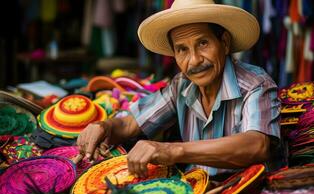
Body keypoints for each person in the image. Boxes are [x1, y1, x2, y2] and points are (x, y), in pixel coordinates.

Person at [77, 0, 281, 178]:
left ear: (224, 43)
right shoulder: (181, 85)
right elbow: (130, 124)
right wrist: (104, 127)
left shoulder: (256, 83)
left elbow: (257, 145)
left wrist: (174, 150)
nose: (194, 60)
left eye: (203, 43)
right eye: (182, 49)